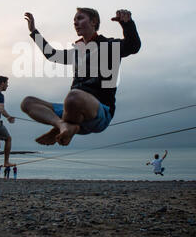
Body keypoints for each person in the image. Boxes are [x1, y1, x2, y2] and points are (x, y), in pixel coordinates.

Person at [21, 8, 141, 146]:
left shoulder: (110, 45)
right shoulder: (77, 52)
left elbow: (133, 46)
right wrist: (33, 31)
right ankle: (62, 126)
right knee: (27, 102)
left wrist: (127, 24)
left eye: (80, 18)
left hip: (99, 112)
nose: (75, 23)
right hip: (72, 111)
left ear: (93, 22)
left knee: (73, 97)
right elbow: (51, 55)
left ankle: (63, 125)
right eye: (74, 20)